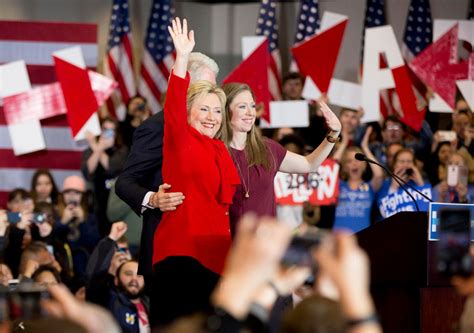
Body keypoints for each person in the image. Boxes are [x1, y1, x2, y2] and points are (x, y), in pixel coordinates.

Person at [150, 17, 239, 326]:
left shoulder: (221, 151)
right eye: (204, 109)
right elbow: (173, 103)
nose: (212, 117)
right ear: (187, 114)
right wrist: (183, 56)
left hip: (218, 259)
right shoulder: (180, 139)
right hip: (182, 255)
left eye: (217, 110)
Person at [115, 51, 219, 300]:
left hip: (205, 251)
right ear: (186, 86)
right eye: (207, 86)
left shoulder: (212, 128)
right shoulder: (156, 127)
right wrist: (153, 199)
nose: (214, 95)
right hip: (167, 252)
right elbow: (125, 182)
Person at [220, 82, 341, 233]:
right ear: (226, 110)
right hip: (229, 247)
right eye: (242, 106)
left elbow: (310, 164)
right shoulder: (215, 151)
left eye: (252, 106)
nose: (250, 112)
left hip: (266, 246)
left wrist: (334, 134)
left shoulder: (268, 148)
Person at [86, 222, 149, 333]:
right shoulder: (106, 297)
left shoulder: (149, 303)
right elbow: (95, 276)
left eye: (139, 275)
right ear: (116, 280)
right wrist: (112, 238)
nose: (134, 279)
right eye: (128, 274)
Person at [82, 116, 129, 236]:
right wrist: (97, 148)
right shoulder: (91, 151)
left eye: (111, 130)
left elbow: (111, 167)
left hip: (117, 202)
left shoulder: (122, 150)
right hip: (98, 202)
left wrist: (97, 147)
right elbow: (88, 172)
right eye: (105, 129)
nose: (107, 134)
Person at [332, 127, 384, 233]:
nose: (354, 163)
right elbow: (332, 168)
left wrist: (365, 147)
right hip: (339, 238)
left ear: (364, 164)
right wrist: (344, 142)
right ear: (345, 167)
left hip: (364, 238)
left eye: (357, 160)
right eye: (349, 161)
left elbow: (379, 175)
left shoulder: (370, 186)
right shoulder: (338, 185)